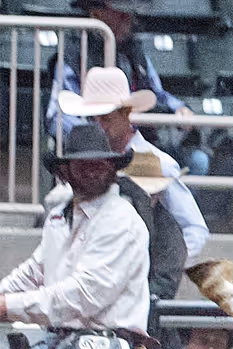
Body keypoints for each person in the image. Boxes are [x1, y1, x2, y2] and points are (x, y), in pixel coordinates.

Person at [0, 124, 150, 349]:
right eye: (83, 166)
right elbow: (34, 271)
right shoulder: (58, 216)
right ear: (65, 172)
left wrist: (6, 306)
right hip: (58, 340)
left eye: (99, 165)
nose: (92, 171)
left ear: (112, 168)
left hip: (106, 345)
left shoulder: (121, 219)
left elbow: (83, 295)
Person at [47, 0, 202, 173]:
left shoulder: (135, 52)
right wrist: (96, 138)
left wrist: (179, 108)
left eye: (129, 14)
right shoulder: (74, 54)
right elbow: (56, 116)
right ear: (97, 15)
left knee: (198, 160)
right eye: (121, 14)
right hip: (93, 154)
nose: (128, 20)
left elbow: (157, 94)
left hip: (140, 142)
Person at [59, 66, 209, 268]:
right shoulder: (83, 164)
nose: (100, 126)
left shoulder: (156, 164)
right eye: (94, 119)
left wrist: (164, 270)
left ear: (127, 113)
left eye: (106, 119)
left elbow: (194, 228)